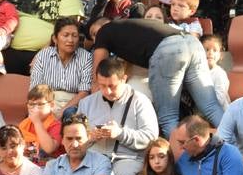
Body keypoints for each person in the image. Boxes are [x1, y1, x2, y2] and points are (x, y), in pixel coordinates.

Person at [91, 18, 224, 136]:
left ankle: (183, 160)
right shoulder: (129, 28)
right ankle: (238, 148)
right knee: (211, 106)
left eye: (93, 35)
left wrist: (93, 103)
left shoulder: (104, 32)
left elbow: (98, 74)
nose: (93, 39)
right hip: (192, 42)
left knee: (168, 118)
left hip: (170, 50)